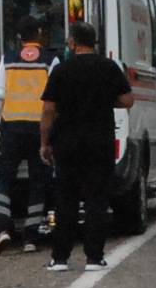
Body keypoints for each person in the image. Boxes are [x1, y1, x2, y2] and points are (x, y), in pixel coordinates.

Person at [38, 19, 132, 273]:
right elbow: (127, 100)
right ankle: (94, 257)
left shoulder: (62, 70)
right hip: (99, 142)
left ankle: (60, 257)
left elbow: (48, 109)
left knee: (65, 200)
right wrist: (104, 101)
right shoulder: (109, 68)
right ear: (94, 43)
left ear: (73, 43)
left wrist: (44, 142)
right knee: (96, 200)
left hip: (67, 143)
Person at [0, 20, 58, 254]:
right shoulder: (50, 60)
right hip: (39, 128)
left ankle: (2, 229)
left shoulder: (9, 58)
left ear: (19, 37)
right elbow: (54, 100)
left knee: (4, 178)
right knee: (38, 181)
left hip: (11, 127)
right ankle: (31, 237)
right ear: (40, 34)